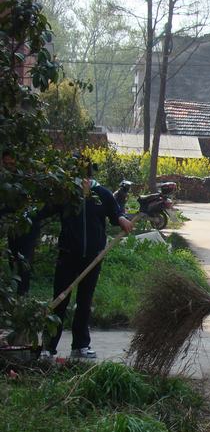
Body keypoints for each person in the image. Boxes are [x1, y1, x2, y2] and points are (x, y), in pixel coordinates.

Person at [42, 154, 134, 360]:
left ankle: (80, 346)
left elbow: (115, 213)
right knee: (59, 301)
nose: (83, 178)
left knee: (85, 302)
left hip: (93, 258)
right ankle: (48, 347)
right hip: (67, 256)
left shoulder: (102, 194)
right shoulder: (66, 194)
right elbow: (44, 211)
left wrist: (122, 219)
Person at [1, 149, 41, 296]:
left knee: (25, 259)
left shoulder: (26, 179)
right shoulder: (5, 182)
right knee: (14, 258)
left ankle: (23, 292)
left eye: (11, 162)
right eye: (6, 163)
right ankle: (14, 290)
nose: (9, 165)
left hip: (28, 227)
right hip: (13, 227)